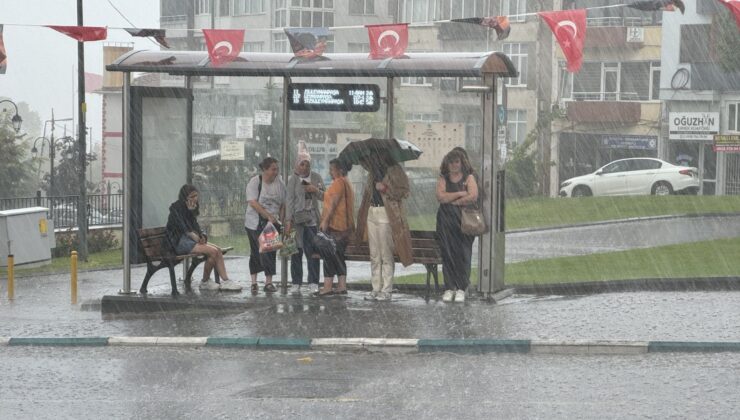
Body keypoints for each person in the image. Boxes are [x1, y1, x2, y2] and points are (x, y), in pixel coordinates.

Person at [355, 152, 413, 301]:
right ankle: (375, 288)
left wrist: (386, 189)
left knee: (385, 253)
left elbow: (404, 191)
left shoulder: (394, 170)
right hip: (372, 211)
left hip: (386, 213)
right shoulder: (372, 172)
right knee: (374, 254)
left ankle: (386, 289)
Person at [166, 184, 241, 291]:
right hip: (178, 242)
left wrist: (202, 236)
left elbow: (195, 225)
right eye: (192, 196)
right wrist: (190, 214)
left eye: (196, 196)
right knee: (213, 252)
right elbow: (183, 227)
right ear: (185, 197)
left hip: (189, 240)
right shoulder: (176, 208)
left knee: (217, 251)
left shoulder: (193, 206)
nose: (195, 199)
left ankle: (208, 281)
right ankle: (219, 281)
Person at [435, 148, 479, 303]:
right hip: (445, 220)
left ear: (461, 163)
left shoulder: (469, 177)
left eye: (456, 162)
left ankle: (461, 287)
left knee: (463, 254)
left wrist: (453, 202)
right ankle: (449, 287)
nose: (453, 165)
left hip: (463, 221)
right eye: (451, 162)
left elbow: (473, 196)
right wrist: (460, 194)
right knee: (447, 253)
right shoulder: (443, 178)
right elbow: (440, 196)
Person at [285, 141, 325, 293]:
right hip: (296, 221)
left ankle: (313, 281)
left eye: (307, 164)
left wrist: (315, 190)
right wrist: (288, 221)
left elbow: (324, 197)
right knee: (296, 252)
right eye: (302, 164)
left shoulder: (316, 177)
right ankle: (296, 282)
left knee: (313, 251)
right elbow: (289, 200)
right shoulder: (293, 180)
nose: (305, 167)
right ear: (297, 165)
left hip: (312, 221)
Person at [245, 157, 286, 294]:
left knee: (269, 250)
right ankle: (254, 281)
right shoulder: (255, 182)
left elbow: (283, 203)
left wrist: (280, 218)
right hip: (255, 222)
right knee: (256, 251)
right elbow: (253, 202)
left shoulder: (279, 182)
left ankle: (268, 282)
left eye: (277, 169)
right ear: (265, 170)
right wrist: (267, 215)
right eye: (273, 169)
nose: (276, 172)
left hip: (272, 222)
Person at [316, 158, 354, 297]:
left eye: (332, 169)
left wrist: (325, 221)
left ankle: (327, 287)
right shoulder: (347, 183)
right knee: (338, 257)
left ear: (340, 170)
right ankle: (342, 286)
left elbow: (333, 204)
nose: (330, 172)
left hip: (336, 226)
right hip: (345, 227)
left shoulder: (338, 183)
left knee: (329, 256)